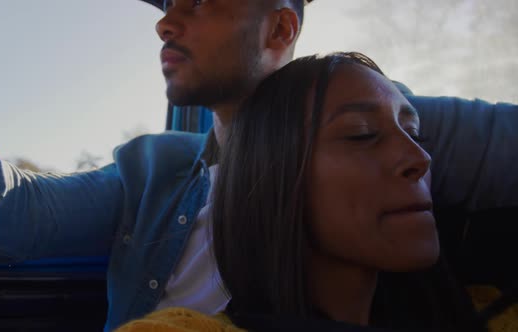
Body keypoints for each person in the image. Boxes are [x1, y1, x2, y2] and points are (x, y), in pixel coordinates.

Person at [0, 1, 516, 331]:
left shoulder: (395, 115)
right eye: (168, 5)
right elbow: (13, 206)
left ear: (280, 27)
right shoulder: (152, 172)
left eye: (201, 1)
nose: (166, 21)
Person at [118, 52, 485, 332]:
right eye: (361, 133)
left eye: (414, 132)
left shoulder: (483, 307)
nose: (419, 157)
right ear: (274, 176)